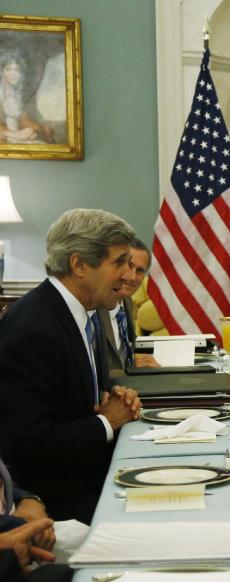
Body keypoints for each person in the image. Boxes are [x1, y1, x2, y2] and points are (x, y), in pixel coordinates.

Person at [0, 208, 143, 524]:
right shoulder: (34, 329)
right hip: (60, 507)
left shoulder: (84, 313)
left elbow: (72, 405)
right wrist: (107, 421)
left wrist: (111, 397)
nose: (128, 274)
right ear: (79, 265)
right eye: (119, 262)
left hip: (94, 480)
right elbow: (26, 445)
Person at [96, 238, 160, 378]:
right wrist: (128, 368)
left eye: (140, 270)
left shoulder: (127, 301)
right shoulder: (93, 305)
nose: (132, 277)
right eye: (129, 266)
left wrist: (131, 362)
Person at [0, 54, 54, 144]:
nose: (13, 73)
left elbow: (25, 120)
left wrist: (31, 129)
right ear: (1, 71)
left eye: (16, 70)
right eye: (8, 69)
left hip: (17, 136)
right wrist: (14, 135)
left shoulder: (17, 94)